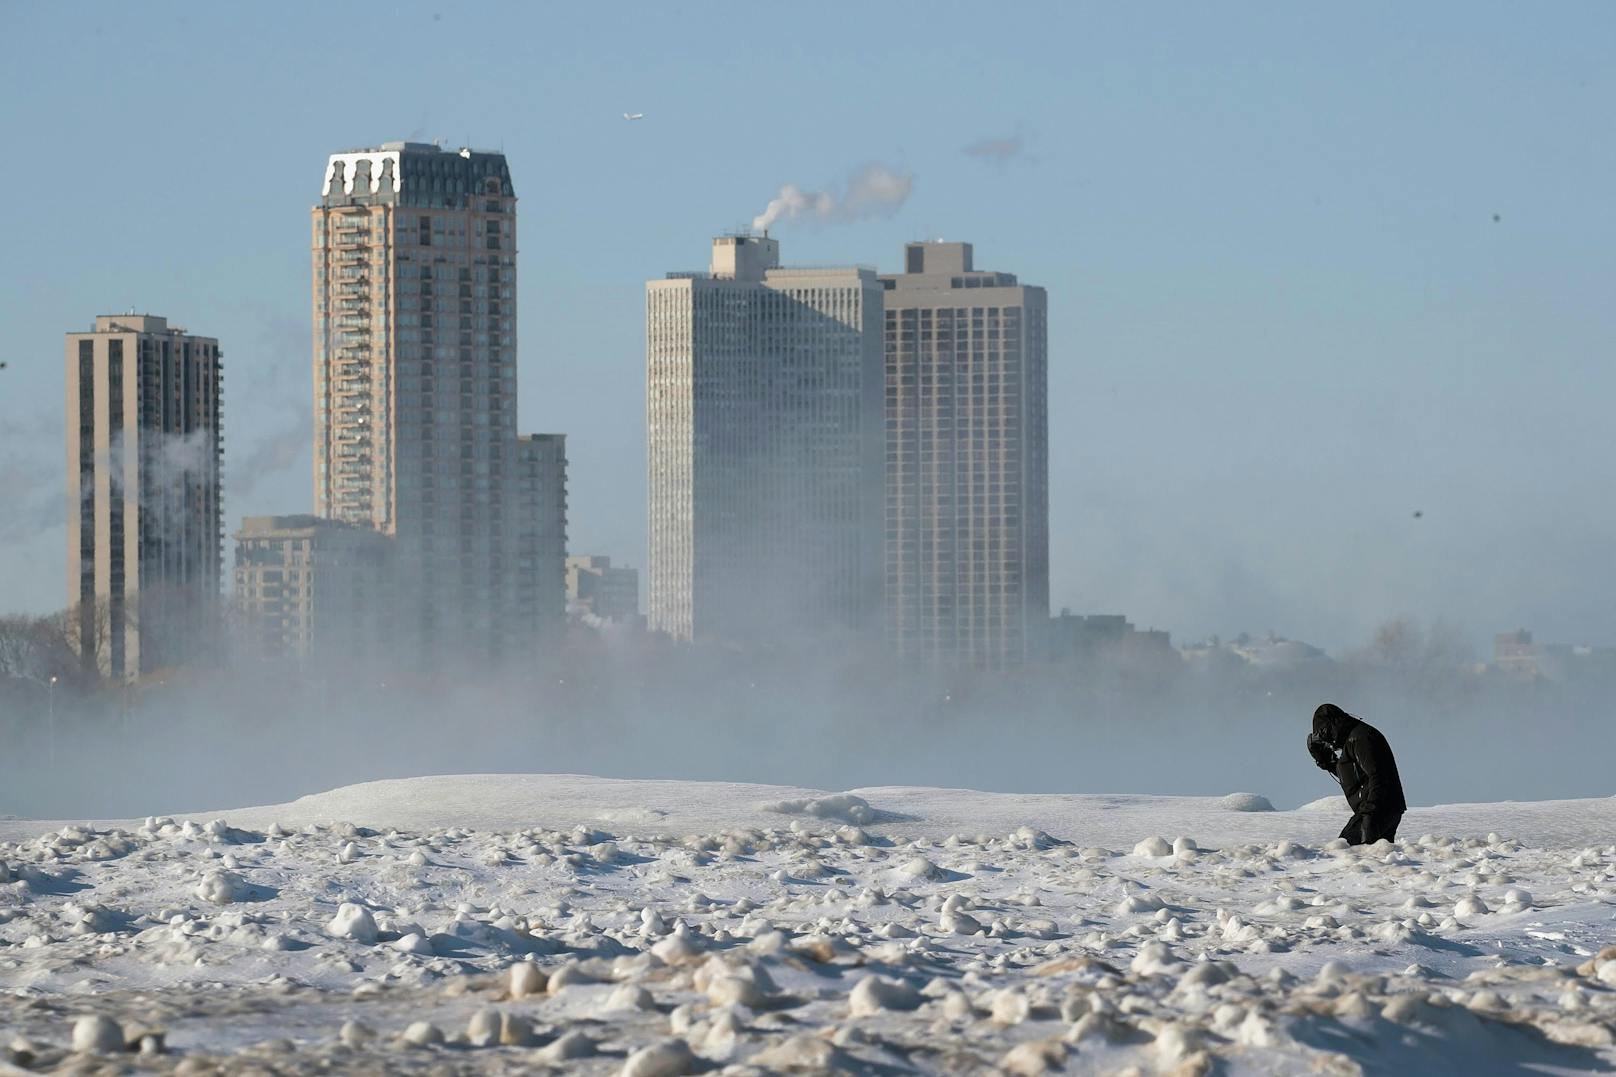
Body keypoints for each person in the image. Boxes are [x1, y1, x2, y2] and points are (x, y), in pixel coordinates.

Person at [1306, 703, 1406, 846]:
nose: (1325, 738)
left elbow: (1377, 775)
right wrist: (1324, 758)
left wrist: (1370, 812)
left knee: (1344, 851)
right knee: (1371, 858)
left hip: (1378, 809)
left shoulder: (1361, 738)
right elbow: (1354, 777)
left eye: (1323, 731)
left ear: (1333, 724)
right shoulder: (1353, 739)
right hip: (1381, 809)